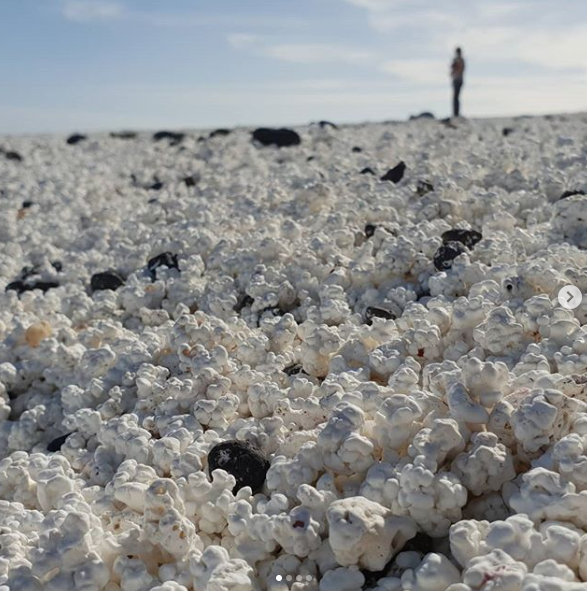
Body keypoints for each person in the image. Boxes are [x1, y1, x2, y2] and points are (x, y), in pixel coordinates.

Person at [450, 47, 465, 118]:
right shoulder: (456, 60)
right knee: (455, 97)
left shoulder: (460, 60)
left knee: (456, 97)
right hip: (456, 79)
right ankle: (455, 113)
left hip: (458, 80)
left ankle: (456, 113)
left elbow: (459, 69)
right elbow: (452, 69)